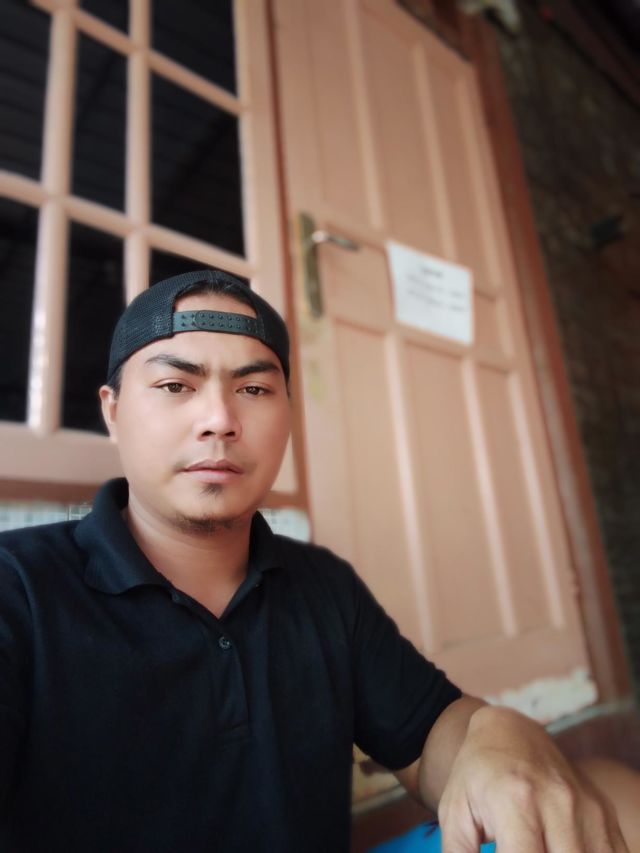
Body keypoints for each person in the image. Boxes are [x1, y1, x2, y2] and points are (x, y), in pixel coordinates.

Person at [0, 268, 632, 852]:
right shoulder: (18, 588)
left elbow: (433, 730)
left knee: (615, 793)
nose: (219, 419)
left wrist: (500, 734)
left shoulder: (321, 585)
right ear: (112, 411)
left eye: (253, 388)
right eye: (175, 386)